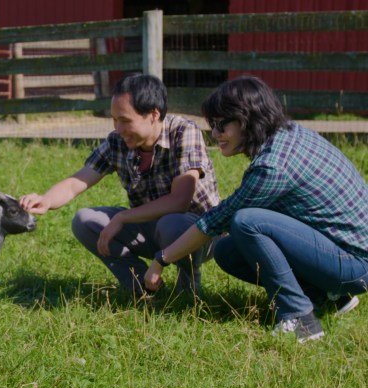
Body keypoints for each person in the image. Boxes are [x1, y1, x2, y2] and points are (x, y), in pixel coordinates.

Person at [144, 75, 368, 343]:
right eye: (211, 125)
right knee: (227, 251)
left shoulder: (272, 166)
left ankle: (299, 318)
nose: (214, 134)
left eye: (219, 125)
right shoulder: (289, 134)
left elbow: (217, 220)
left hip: (356, 265)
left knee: (246, 222)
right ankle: (327, 295)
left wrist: (161, 259)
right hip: (346, 252)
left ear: (245, 121)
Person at [19, 74, 221, 298]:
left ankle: (188, 290)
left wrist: (123, 217)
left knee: (172, 223)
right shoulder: (118, 141)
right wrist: (46, 200)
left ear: (153, 114)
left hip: (199, 232)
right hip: (150, 226)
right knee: (85, 222)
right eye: (114, 119)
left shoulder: (184, 132)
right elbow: (79, 180)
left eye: (125, 120)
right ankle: (143, 287)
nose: (118, 128)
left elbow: (180, 201)